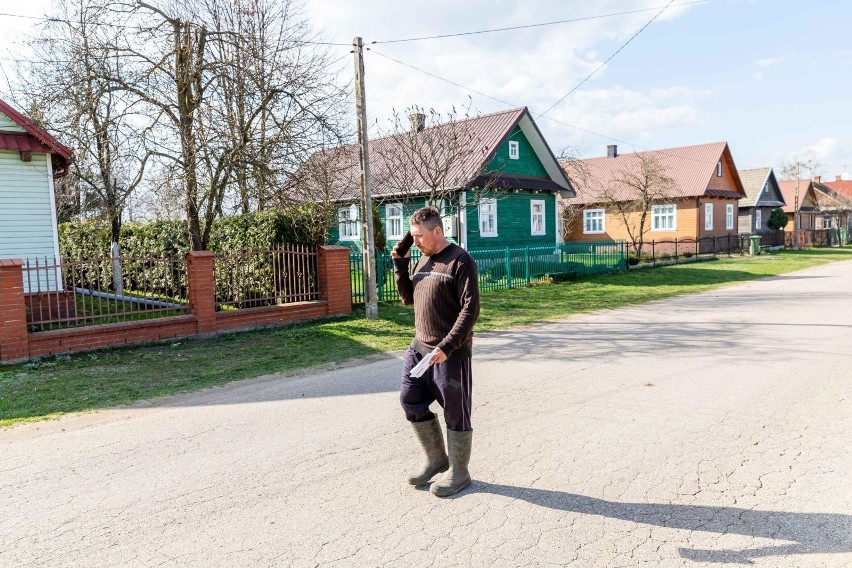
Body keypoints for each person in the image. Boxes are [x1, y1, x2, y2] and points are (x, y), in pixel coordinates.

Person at [391, 206, 480, 497]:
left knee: (456, 413)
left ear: (437, 232)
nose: (414, 241)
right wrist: (400, 265)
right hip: (419, 350)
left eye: (418, 236)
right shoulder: (421, 261)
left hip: (449, 353)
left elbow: (470, 310)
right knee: (410, 401)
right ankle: (436, 459)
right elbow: (408, 298)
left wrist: (448, 345)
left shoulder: (460, 261)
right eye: (412, 235)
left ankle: (459, 471)